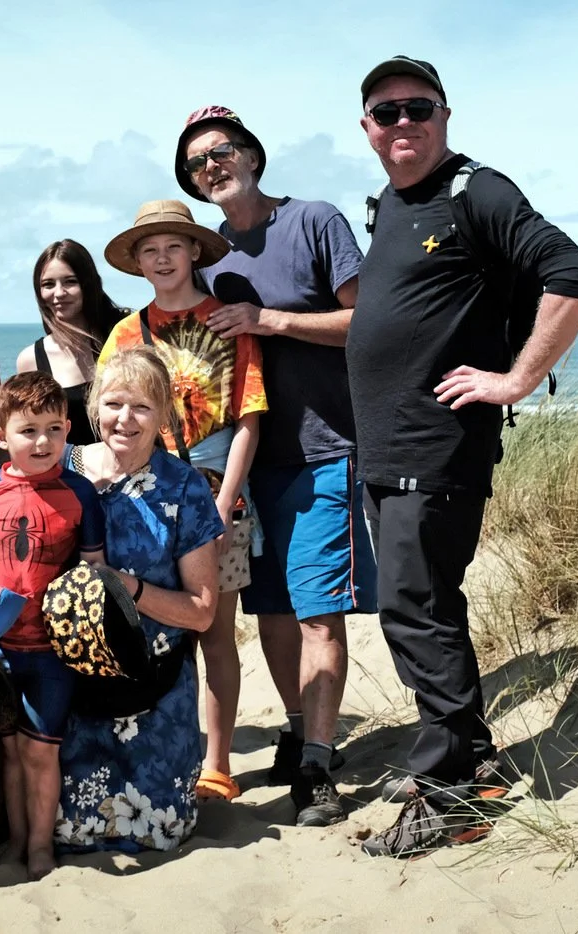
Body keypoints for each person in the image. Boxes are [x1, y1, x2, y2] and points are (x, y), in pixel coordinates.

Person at [349, 56, 578, 857]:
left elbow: (573, 275)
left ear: (445, 115)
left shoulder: (476, 191)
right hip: (387, 450)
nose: (403, 122)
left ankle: (453, 796)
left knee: (415, 610)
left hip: (437, 447)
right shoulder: (391, 206)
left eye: (418, 107)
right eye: (386, 112)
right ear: (367, 128)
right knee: (423, 609)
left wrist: (515, 379)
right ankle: (472, 759)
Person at [175, 105, 376, 826]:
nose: (212, 166)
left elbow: (367, 322)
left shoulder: (314, 221)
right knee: (274, 613)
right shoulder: (207, 257)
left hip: (325, 449)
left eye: (222, 151)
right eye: (197, 163)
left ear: (253, 155)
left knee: (320, 611)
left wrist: (271, 320)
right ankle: (299, 733)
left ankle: (317, 767)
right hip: (247, 463)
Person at [0, 347, 223, 855]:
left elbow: (202, 612)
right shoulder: (58, 462)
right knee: (57, 820)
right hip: (68, 681)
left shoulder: (185, 487)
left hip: (152, 689)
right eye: (113, 404)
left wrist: (126, 588)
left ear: (164, 413)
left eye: (142, 406)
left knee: (159, 833)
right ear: (92, 410)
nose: (125, 418)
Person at [98, 199, 265, 803]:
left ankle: (217, 765)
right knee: (154, 630)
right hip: (145, 500)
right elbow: (111, 419)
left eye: (174, 245)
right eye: (150, 249)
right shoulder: (125, 333)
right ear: (137, 261)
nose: (163, 258)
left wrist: (224, 502)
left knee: (215, 631)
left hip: (218, 491)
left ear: (195, 250)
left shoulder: (228, 321)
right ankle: (165, 755)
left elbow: (248, 419)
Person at [0, 371, 106, 880]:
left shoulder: (80, 494)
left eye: (54, 429)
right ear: (1, 436)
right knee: (9, 750)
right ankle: (16, 839)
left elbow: (94, 569)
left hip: (53, 653)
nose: (43, 442)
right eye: (28, 430)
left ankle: (41, 846)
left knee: (40, 751)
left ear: (68, 430)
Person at [14, 240, 128, 445]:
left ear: (88, 284)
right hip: (69, 465)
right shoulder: (30, 360)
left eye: (70, 282)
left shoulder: (121, 337)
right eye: (48, 284)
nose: (59, 293)